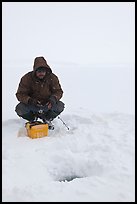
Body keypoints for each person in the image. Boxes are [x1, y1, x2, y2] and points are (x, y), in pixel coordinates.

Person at [15, 56, 65, 129]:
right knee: (20, 108)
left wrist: (53, 99)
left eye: (43, 71)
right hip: (32, 105)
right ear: (35, 71)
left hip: (47, 105)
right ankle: (32, 119)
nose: (41, 73)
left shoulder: (52, 78)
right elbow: (20, 94)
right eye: (39, 71)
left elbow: (58, 91)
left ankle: (47, 118)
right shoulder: (26, 78)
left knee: (60, 105)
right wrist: (30, 100)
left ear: (46, 71)